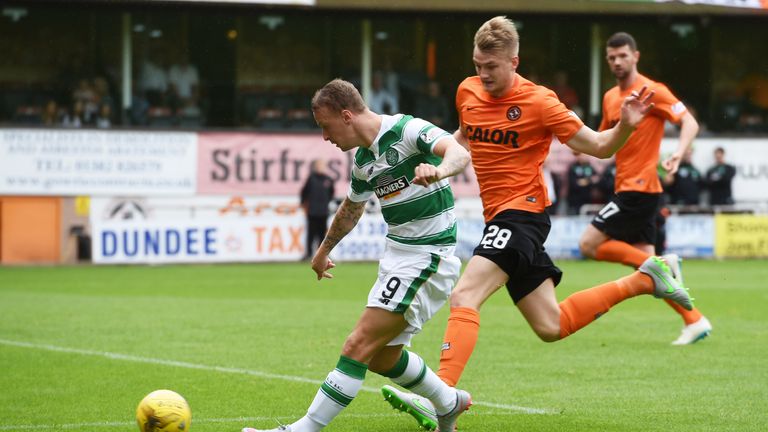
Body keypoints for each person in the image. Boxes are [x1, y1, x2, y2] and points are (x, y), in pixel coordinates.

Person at [382, 17, 693, 429]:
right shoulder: (467, 91)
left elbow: (598, 147)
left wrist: (624, 127)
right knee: (552, 325)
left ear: (514, 61)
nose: (483, 74)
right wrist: (436, 163)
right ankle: (646, 278)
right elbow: (464, 137)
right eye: (477, 65)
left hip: (523, 213)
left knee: (465, 296)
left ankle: (443, 394)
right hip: (502, 216)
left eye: (491, 67)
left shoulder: (541, 102)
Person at [241, 78, 472, 432]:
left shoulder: (407, 130)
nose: (325, 138)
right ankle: (448, 402)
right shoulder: (364, 162)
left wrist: (438, 169)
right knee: (382, 355)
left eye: (325, 127)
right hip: (397, 256)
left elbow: (458, 153)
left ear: (346, 115)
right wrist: (322, 251)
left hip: (428, 257)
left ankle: (303, 429)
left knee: (358, 343)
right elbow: (351, 208)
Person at [578, 31, 711, 346]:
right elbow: (603, 144)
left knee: (588, 245)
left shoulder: (654, 91)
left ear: (635, 56)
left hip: (638, 189)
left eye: (623, 55)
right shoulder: (611, 97)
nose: (617, 62)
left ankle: (665, 265)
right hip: (630, 187)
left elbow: (689, 122)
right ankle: (694, 319)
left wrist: (678, 153)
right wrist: (574, 139)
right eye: (612, 57)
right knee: (649, 273)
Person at [299, 159, 335, 260]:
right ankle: (309, 254)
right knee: (311, 234)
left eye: (322, 165)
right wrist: (303, 204)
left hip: (323, 212)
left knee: (323, 235)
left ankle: (322, 255)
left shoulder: (328, 180)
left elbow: (331, 194)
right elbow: (304, 193)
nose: (321, 167)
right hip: (312, 212)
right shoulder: (311, 179)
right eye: (319, 165)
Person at [566, 151, 599, 215]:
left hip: (588, 199)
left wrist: (585, 181)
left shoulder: (589, 166)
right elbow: (575, 184)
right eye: (582, 155)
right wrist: (589, 181)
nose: (584, 157)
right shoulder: (573, 167)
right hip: (575, 200)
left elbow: (596, 179)